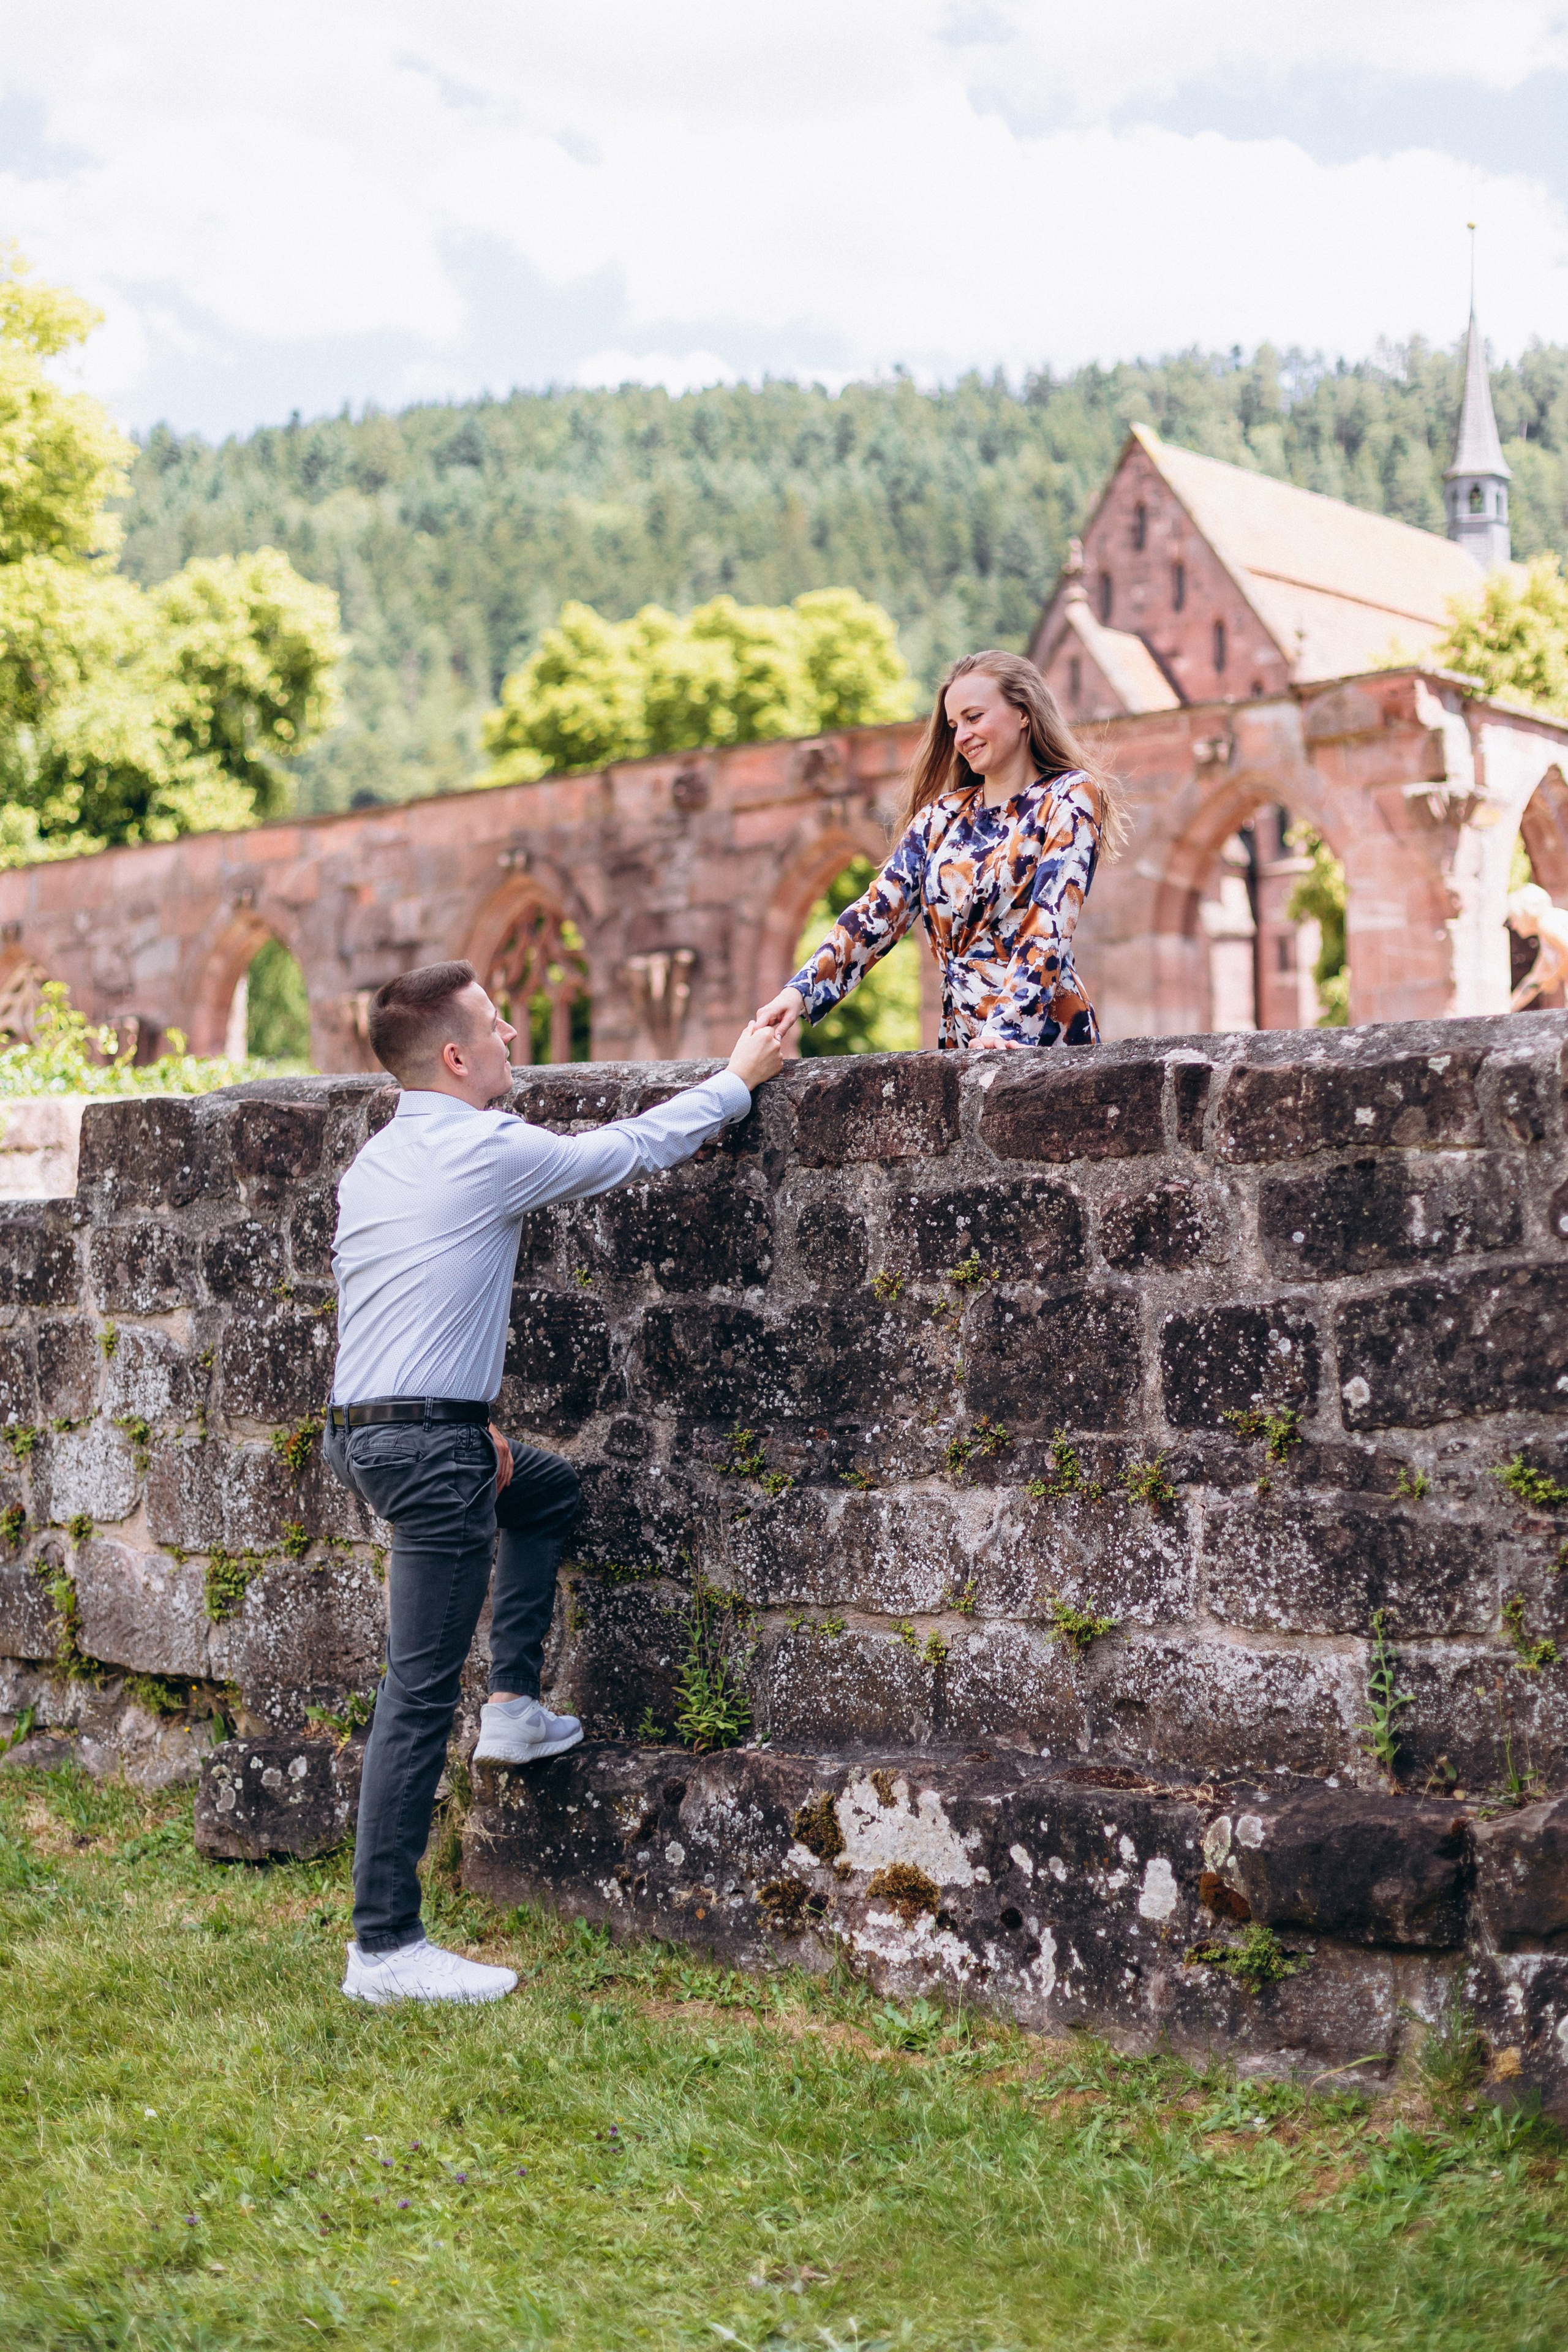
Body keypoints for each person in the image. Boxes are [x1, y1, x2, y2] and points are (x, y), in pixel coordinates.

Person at [324, 959, 783, 2006]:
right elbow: (627, 1150)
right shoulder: (484, 1146)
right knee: (413, 1694)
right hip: (424, 1447)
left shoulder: (377, 1160)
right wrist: (739, 1077)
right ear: (453, 1056)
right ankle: (385, 1949)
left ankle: (518, 1707)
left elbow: (402, 1300)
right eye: (494, 1025)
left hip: (374, 1429)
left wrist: (462, 1418)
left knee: (543, 1492)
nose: (513, 1036)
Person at [755, 649, 1126, 1052]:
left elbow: (1050, 923)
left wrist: (1007, 1029)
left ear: (1023, 713)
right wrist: (799, 993)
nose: (962, 736)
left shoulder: (1070, 795)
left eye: (974, 717)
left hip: (1043, 1036)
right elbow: (879, 911)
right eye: (953, 725)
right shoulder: (941, 818)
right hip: (963, 1042)